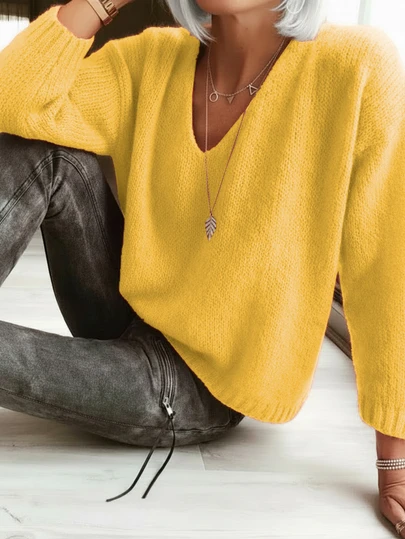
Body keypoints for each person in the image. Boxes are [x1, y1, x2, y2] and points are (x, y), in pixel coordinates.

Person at [0, 0, 405, 531]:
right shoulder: (153, 58)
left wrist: (395, 462)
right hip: (126, 311)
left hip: (201, 385)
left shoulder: (356, 66)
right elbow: (15, 100)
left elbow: (384, 265)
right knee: (44, 150)